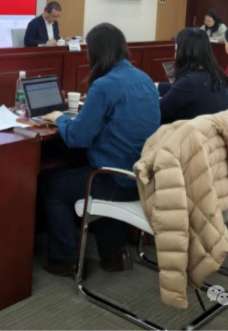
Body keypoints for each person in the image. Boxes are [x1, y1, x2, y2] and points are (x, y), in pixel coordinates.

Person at [39, 23, 160, 275]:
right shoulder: (144, 78)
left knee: (52, 186)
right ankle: (115, 253)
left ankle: (65, 258)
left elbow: (77, 137)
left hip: (116, 179)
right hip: (143, 177)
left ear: (96, 52)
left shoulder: (104, 85)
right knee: (89, 174)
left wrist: (59, 118)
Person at [157, 28, 228, 124]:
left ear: (184, 54)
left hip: (189, 132)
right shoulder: (217, 75)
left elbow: (159, 111)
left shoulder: (190, 82)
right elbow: (181, 89)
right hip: (213, 131)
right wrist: (156, 86)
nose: (175, 56)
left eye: (176, 51)